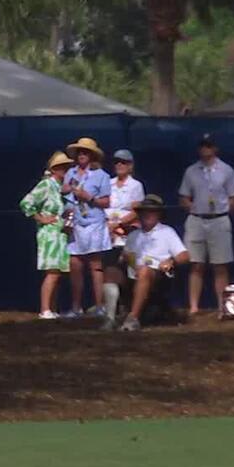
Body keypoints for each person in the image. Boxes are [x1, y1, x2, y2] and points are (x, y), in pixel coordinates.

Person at [178, 134, 234, 318]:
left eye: (209, 145)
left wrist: (223, 212)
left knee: (220, 265)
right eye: (202, 145)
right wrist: (192, 208)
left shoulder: (227, 171)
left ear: (215, 148)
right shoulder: (191, 171)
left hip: (219, 220)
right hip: (197, 220)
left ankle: (223, 307)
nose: (205, 149)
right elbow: (183, 196)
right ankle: (194, 307)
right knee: (196, 264)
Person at [117, 195, 190, 332]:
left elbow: (184, 256)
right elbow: (125, 257)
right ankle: (109, 316)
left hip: (156, 273)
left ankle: (133, 317)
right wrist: (124, 258)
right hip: (133, 271)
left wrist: (171, 261)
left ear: (158, 214)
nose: (148, 215)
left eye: (152, 211)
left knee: (144, 271)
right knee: (111, 272)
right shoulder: (134, 236)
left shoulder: (167, 232)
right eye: (144, 212)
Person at [60, 137, 112, 319]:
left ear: (91, 156)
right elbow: (66, 197)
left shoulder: (102, 176)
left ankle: (100, 306)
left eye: (85, 152)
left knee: (95, 264)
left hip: (94, 223)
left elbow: (106, 202)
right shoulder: (70, 174)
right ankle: (76, 307)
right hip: (76, 223)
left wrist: (89, 197)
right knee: (75, 264)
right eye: (80, 152)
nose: (82, 155)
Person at [20, 151, 73, 320]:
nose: (65, 170)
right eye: (61, 167)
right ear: (54, 169)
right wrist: (41, 218)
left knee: (57, 271)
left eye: (67, 167)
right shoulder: (46, 185)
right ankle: (44, 309)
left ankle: (53, 308)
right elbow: (26, 203)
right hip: (49, 233)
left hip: (61, 232)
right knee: (52, 272)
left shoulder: (61, 187)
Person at [100, 149, 145, 328]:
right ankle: (110, 316)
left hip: (127, 235)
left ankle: (129, 311)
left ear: (131, 166)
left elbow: (136, 210)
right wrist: (108, 225)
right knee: (110, 271)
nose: (119, 165)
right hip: (108, 234)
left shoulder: (136, 186)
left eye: (124, 162)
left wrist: (118, 224)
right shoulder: (108, 184)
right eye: (117, 162)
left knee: (130, 272)